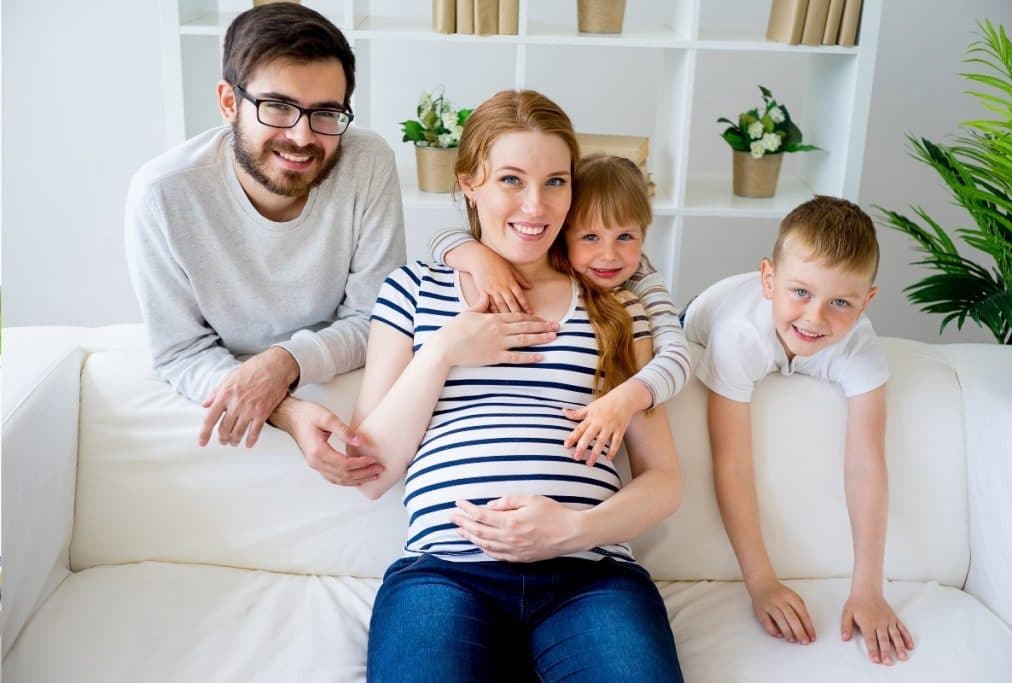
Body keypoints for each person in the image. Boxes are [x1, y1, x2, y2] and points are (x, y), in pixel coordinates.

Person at [339, 89, 684, 682]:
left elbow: (664, 479)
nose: (536, 204)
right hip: (445, 575)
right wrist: (444, 350)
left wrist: (573, 529)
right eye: (511, 180)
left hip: (591, 576)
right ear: (470, 183)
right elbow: (371, 470)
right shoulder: (415, 289)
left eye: (556, 181)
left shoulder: (614, 298)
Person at [124, 3, 404, 485]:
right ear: (229, 103)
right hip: (235, 395)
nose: (302, 136)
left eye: (326, 114)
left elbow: (376, 318)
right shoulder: (161, 194)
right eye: (277, 107)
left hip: (342, 380)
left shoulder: (368, 161)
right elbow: (179, 351)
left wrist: (283, 363)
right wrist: (286, 410)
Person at [683, 195, 914, 666]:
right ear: (769, 280)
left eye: (841, 303)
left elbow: (867, 465)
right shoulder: (739, 333)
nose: (815, 318)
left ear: (867, 302)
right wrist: (762, 581)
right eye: (801, 292)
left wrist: (868, 588)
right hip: (698, 315)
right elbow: (732, 464)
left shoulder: (861, 349)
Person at [428, 153, 690, 464]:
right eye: (590, 236)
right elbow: (440, 239)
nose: (609, 256)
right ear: (563, 235)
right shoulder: (547, 264)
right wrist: (478, 259)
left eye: (625, 237)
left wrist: (626, 398)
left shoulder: (641, 279)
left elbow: (677, 355)